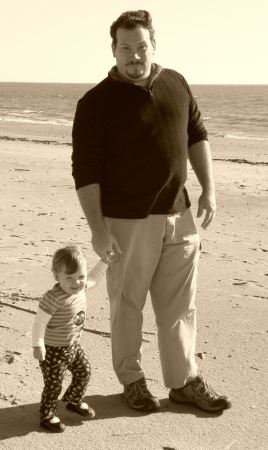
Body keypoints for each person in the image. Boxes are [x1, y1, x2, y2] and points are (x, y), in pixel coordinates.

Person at [71, 10, 231, 414]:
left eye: (141, 46)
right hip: (127, 221)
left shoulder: (176, 82)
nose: (135, 55)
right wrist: (97, 230)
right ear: (114, 50)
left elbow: (196, 135)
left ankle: (183, 381)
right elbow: (85, 171)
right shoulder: (94, 103)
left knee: (181, 306)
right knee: (127, 303)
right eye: (126, 48)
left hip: (181, 215)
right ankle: (133, 381)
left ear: (153, 45)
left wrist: (209, 189)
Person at [32, 245, 108, 432]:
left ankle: (74, 401)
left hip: (73, 346)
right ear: (57, 276)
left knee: (85, 371)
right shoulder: (53, 298)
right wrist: (38, 344)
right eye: (69, 278)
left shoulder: (80, 289)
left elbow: (94, 278)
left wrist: (105, 261)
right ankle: (47, 415)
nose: (77, 283)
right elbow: (39, 322)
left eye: (80, 277)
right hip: (53, 350)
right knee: (54, 385)